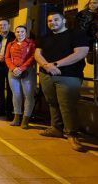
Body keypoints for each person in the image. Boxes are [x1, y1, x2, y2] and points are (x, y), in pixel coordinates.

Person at [35, 11, 89, 152]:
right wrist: (47, 66)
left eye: (56, 20)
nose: (52, 22)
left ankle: (72, 134)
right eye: (50, 21)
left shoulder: (76, 34)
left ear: (64, 20)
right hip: (46, 75)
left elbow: (80, 53)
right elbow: (37, 54)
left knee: (67, 105)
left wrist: (56, 65)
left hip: (69, 76)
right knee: (52, 103)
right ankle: (56, 128)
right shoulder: (44, 37)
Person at [5, 26, 36, 129]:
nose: (20, 34)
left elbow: (32, 57)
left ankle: (25, 119)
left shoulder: (31, 43)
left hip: (27, 71)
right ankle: (17, 117)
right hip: (13, 72)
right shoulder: (10, 44)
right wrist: (13, 68)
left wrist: (22, 68)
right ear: (15, 33)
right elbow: (7, 57)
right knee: (16, 95)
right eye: (17, 32)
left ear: (26, 32)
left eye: (22, 31)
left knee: (28, 95)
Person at [0, 19, 16, 119]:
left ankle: (9, 111)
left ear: (9, 25)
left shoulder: (14, 36)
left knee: (10, 89)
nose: (2, 26)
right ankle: (1, 109)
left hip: (10, 66)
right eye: (0, 25)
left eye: (5, 25)